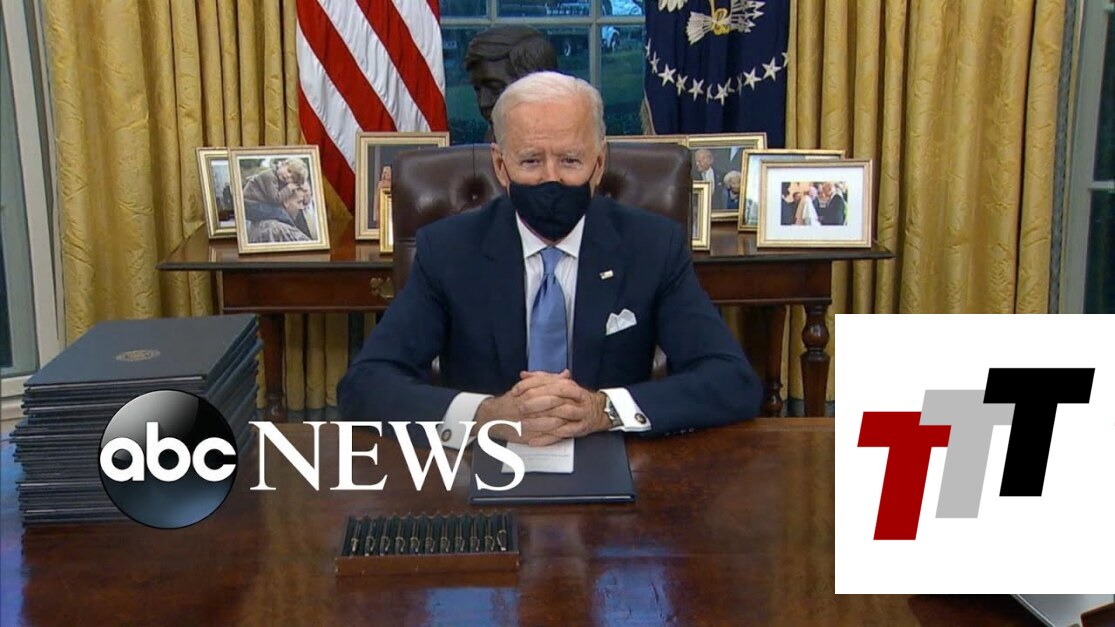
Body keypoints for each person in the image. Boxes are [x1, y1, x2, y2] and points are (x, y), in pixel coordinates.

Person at [339, 72, 761, 450]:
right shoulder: (449, 250)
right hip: (483, 463)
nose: (551, 178)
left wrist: (603, 410)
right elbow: (365, 384)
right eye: (531, 161)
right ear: (500, 166)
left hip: (613, 460)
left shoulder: (652, 246)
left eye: (570, 160)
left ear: (598, 164)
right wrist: (486, 414)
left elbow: (732, 380)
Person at [465, 26, 558, 141]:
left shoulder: (568, 143)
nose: (483, 103)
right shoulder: (496, 138)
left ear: (538, 88)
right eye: (477, 90)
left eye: (495, 88)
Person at [247, 182, 313, 243]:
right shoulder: (282, 231)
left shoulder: (255, 225)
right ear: (285, 201)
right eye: (299, 202)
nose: (302, 207)